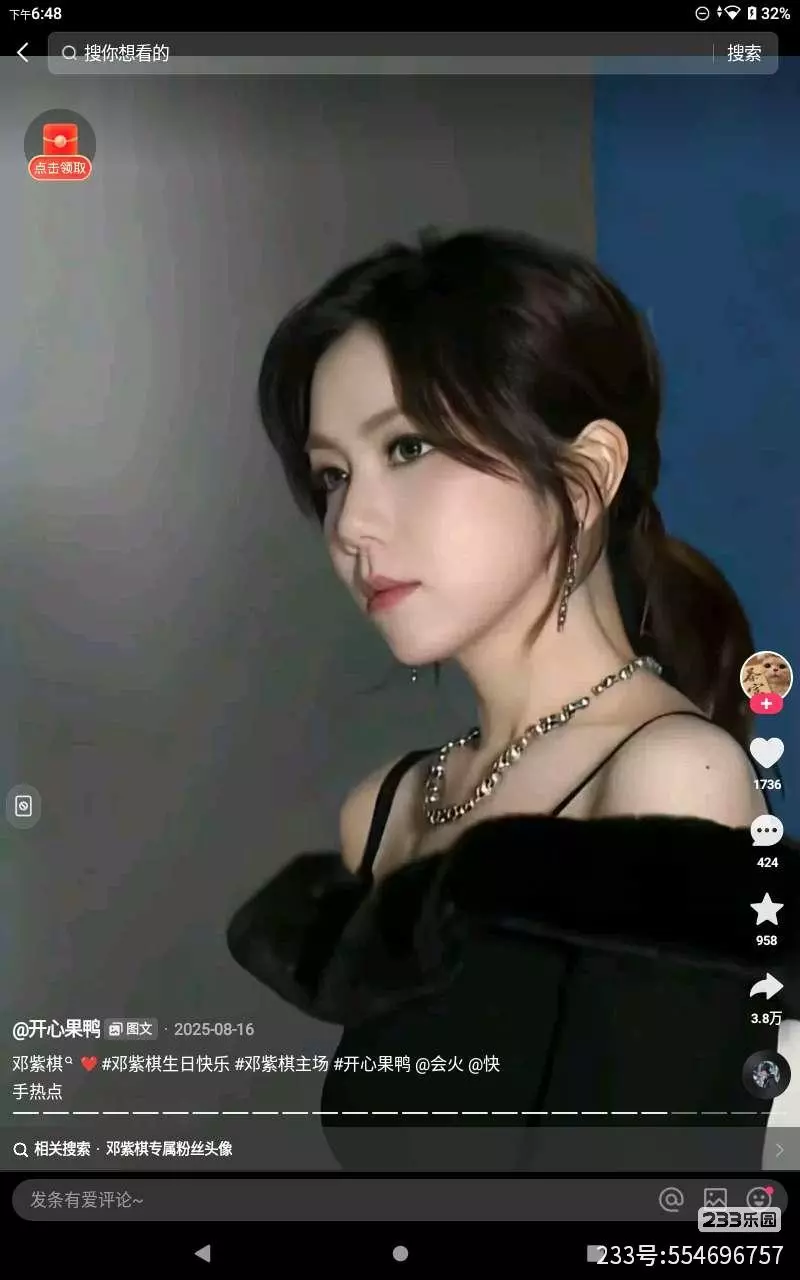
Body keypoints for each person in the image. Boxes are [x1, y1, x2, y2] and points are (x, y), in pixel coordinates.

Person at [227, 229, 799, 1171]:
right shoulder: (385, 810)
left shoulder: (672, 773)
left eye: (407, 446)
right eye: (332, 476)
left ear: (586, 475)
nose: (350, 525)